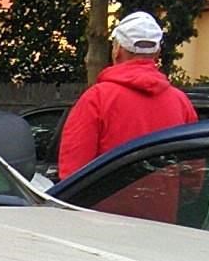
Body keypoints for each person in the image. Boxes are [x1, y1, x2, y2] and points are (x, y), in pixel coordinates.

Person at [56, 11, 197, 178]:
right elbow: (192, 179)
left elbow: (72, 174)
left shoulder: (96, 100)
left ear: (117, 50)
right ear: (157, 53)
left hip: (98, 204)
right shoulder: (181, 103)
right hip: (164, 203)